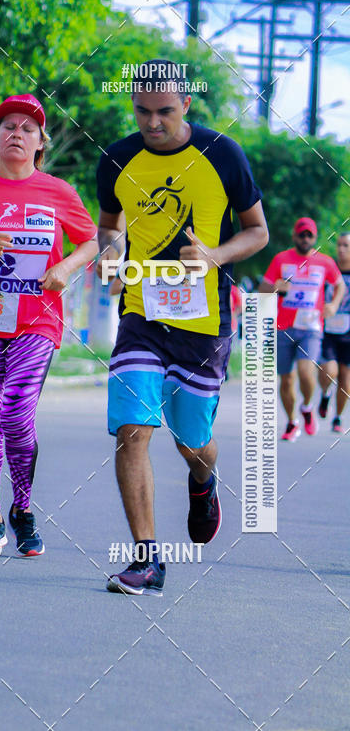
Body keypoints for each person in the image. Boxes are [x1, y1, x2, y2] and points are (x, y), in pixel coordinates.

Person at [95, 59, 268, 596]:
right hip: (141, 315)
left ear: (187, 104)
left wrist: (214, 255)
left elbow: (258, 231)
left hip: (204, 323)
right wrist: (110, 256)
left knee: (192, 442)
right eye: (143, 111)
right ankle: (147, 560)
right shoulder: (117, 158)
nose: (153, 122)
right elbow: (109, 225)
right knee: (132, 430)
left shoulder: (223, 154)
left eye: (165, 111)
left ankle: (202, 479)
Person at [0, 94, 98, 555]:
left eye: (28, 129)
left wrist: (65, 268)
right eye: (8, 126)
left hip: (36, 320)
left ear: (40, 144)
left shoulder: (58, 192)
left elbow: (91, 242)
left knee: (15, 411)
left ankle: (22, 508)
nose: (17, 134)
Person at [259, 218, 344, 441]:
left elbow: (340, 285)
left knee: (306, 372)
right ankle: (292, 422)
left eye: (309, 235)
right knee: (286, 379)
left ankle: (307, 407)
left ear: (314, 238)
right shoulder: (281, 259)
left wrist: (333, 305)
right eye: (302, 234)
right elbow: (262, 288)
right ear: (294, 236)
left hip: (311, 328)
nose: (305, 239)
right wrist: (275, 287)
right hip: (283, 328)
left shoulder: (325, 262)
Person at [317, 232, 350, 432]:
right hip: (328, 329)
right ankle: (325, 393)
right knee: (329, 370)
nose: (341, 249)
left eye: (346, 245)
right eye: (339, 245)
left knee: (345, 376)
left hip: (348, 332)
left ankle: (337, 417)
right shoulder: (330, 269)